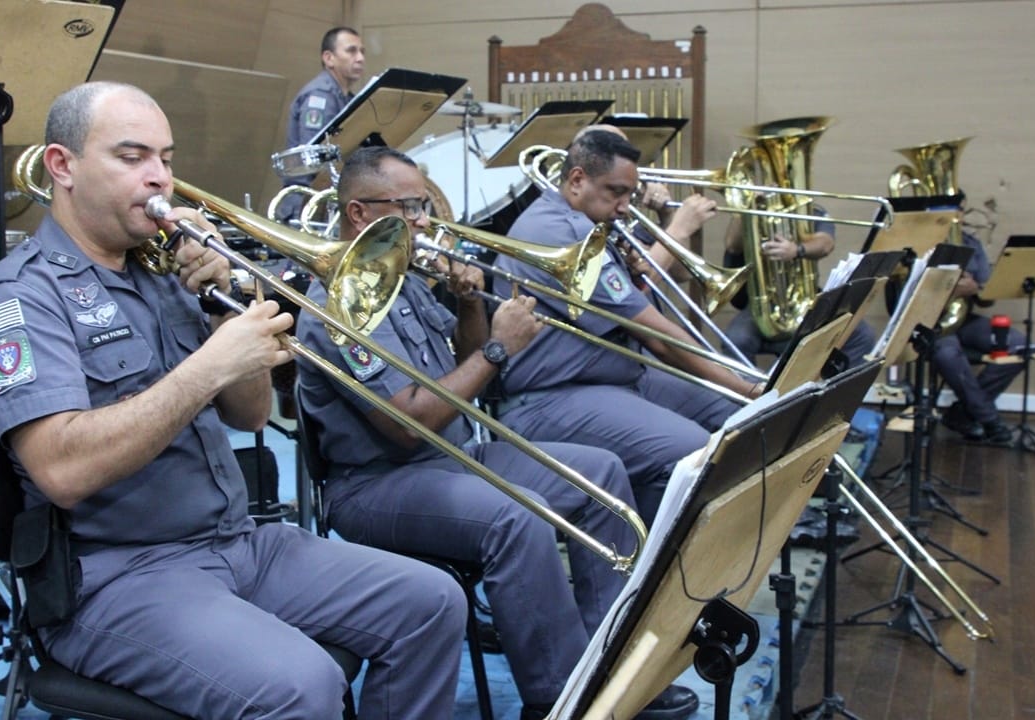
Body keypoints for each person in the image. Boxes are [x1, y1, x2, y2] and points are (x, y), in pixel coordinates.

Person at [0, 81, 466, 720]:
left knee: (433, 602)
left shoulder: (164, 272)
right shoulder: (21, 301)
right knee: (302, 684)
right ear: (62, 167)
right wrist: (205, 367)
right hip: (117, 577)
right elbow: (61, 470)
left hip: (234, 543)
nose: (159, 179)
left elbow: (249, 414)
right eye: (132, 157)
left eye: (166, 159)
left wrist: (229, 306)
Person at [295, 146, 698, 720]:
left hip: (452, 456)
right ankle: (558, 697)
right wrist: (498, 346)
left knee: (601, 474)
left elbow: (464, 377)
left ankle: (612, 661)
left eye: (423, 206)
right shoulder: (337, 304)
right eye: (410, 208)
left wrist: (466, 307)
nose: (424, 221)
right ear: (359, 214)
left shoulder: (402, 279)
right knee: (519, 516)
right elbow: (410, 423)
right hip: (376, 484)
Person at [494, 128, 759, 529]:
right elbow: (659, 338)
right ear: (577, 179)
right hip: (550, 397)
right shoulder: (563, 233)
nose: (623, 207)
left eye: (629, 196)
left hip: (611, 377)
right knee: (693, 448)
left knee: (729, 409)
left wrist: (742, 391)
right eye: (614, 192)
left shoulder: (586, 220)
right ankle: (661, 571)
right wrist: (751, 388)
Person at [721, 208, 878, 368]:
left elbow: (825, 243)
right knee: (735, 340)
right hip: (762, 307)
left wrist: (797, 250)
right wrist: (744, 208)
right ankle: (748, 390)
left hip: (806, 299)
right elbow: (733, 245)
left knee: (862, 336)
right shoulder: (749, 210)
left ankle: (843, 391)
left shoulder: (810, 209)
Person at [933, 229, 1022, 443]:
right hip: (928, 320)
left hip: (962, 318)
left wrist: (975, 289)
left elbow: (986, 298)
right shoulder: (916, 236)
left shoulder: (970, 241)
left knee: (1019, 346)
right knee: (947, 354)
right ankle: (989, 420)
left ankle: (963, 413)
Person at [276, 26, 367, 222]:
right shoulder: (320, 96)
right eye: (351, 51)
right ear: (329, 58)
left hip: (326, 203)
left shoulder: (349, 98)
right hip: (306, 204)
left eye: (362, 52)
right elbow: (316, 156)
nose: (360, 58)